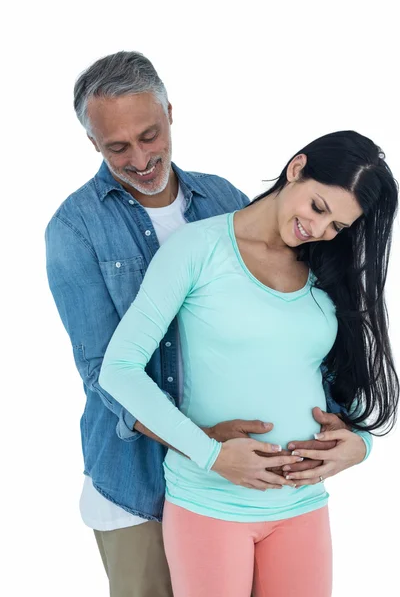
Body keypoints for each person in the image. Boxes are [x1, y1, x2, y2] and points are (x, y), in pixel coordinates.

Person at [45, 50, 351, 596]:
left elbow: (285, 322)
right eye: (117, 146)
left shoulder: (223, 200)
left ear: (170, 114)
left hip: (253, 484)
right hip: (135, 474)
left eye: (150, 134)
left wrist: (347, 431)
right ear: (92, 142)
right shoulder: (75, 227)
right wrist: (201, 444)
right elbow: (102, 370)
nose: (141, 158)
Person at [99, 129, 399, 597]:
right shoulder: (198, 249)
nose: (319, 230)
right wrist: (212, 454)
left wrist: (360, 446)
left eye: (338, 226)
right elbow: (119, 367)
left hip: (302, 504)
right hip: (210, 503)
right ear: (296, 169)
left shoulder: (326, 268)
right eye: (319, 208)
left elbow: (347, 380)